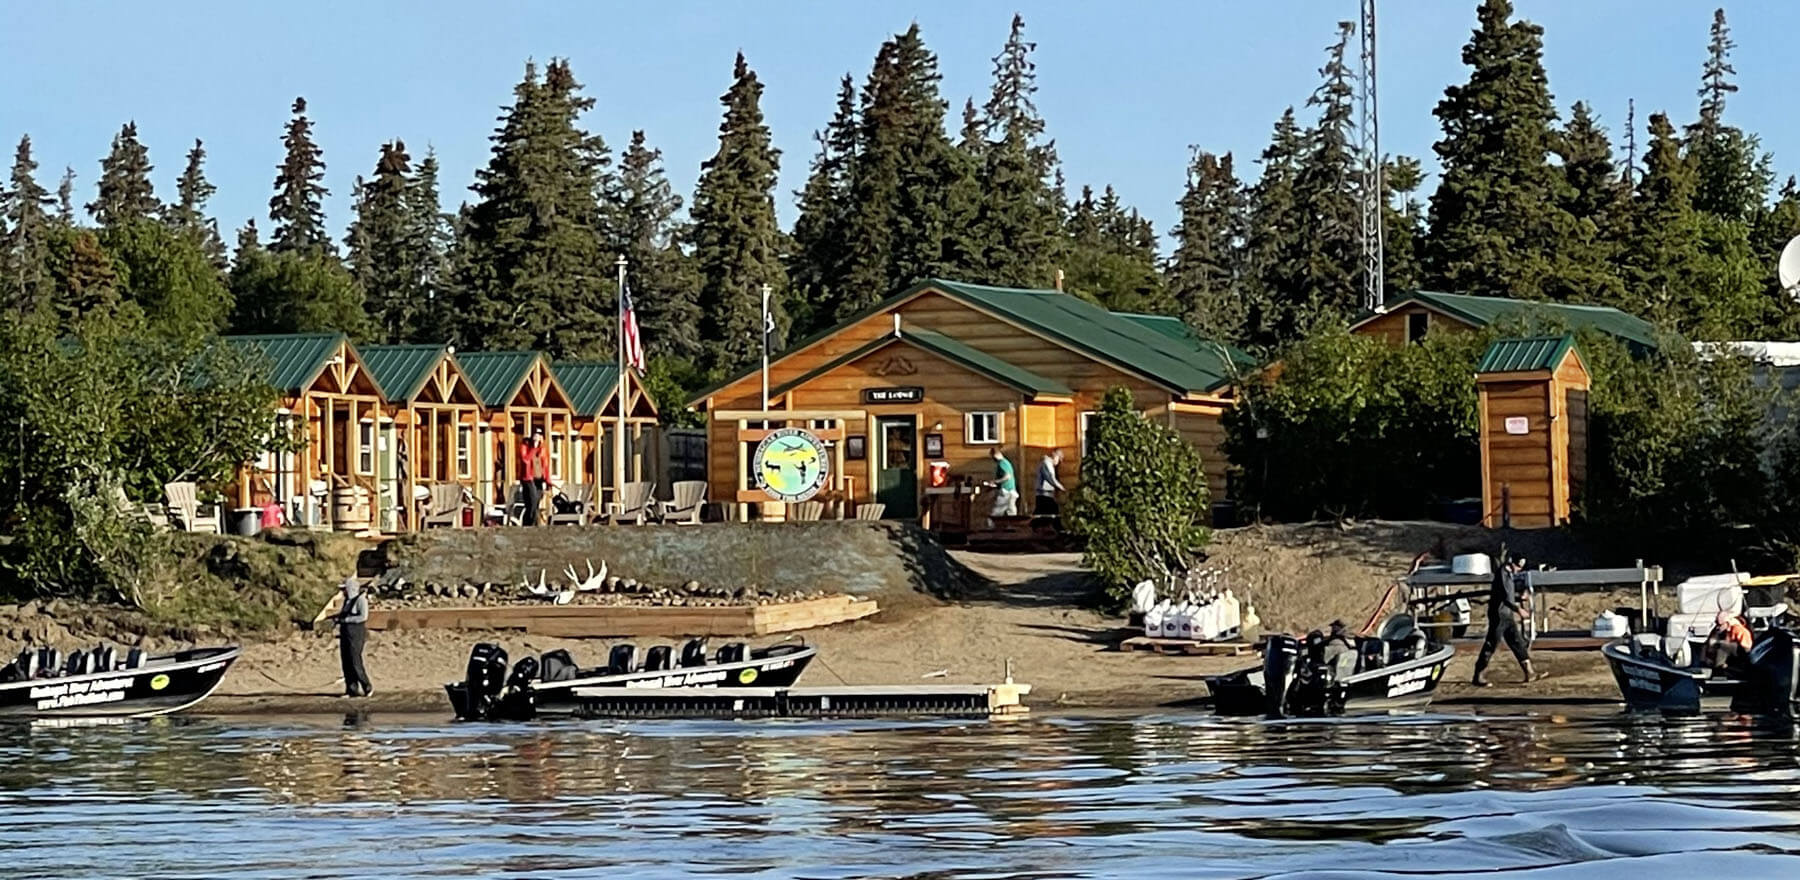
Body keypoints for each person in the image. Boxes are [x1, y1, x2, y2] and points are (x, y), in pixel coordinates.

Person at [1472, 555, 1537, 686]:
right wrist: (1519, 610)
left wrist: (1520, 597)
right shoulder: (1502, 575)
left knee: (1516, 641)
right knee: (1491, 643)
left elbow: (1510, 595)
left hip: (1507, 615)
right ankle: (1478, 675)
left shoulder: (1509, 575)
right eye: (1518, 566)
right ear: (1511, 563)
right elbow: (1505, 597)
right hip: (1499, 615)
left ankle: (1529, 672)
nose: (1518, 570)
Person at [334, 575, 372, 698]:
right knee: (346, 662)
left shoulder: (361, 600)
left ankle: (367, 687)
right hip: (345, 634)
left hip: (356, 634)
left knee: (355, 661)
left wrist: (346, 620)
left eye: (344, 589)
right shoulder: (347, 601)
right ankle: (351, 690)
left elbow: (363, 617)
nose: (343, 592)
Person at [519, 430, 549, 526]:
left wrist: (548, 479)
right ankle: (530, 523)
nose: (537, 437)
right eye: (535, 435)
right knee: (533, 499)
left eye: (539, 435)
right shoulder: (526, 447)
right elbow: (526, 460)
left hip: (539, 479)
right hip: (528, 478)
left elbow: (546, 465)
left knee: (535, 503)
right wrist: (533, 448)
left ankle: (531, 524)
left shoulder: (543, 449)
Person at [984, 447, 1018, 528]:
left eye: (992, 457)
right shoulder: (1007, 462)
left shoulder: (1002, 463)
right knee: (1011, 513)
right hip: (1012, 491)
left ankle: (990, 530)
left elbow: (1007, 476)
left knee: (996, 513)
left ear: (994, 455)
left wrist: (994, 481)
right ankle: (1012, 531)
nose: (992, 459)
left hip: (1005, 492)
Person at [1035, 449, 1067, 517]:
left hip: (1046, 495)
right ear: (1055, 456)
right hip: (1044, 494)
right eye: (1059, 459)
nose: (1058, 462)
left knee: (1043, 514)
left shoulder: (1048, 464)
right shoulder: (1047, 463)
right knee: (1051, 513)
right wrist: (1061, 487)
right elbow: (1050, 478)